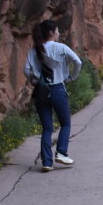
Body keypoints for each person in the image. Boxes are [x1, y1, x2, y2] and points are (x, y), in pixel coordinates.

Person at [24, 19, 81, 172]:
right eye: (57, 31)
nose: (58, 33)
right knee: (65, 123)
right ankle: (61, 153)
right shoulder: (61, 48)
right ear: (51, 32)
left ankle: (47, 162)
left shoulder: (34, 50)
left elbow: (26, 70)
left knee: (47, 128)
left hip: (41, 91)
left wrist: (35, 79)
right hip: (57, 89)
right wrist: (71, 77)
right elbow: (78, 62)